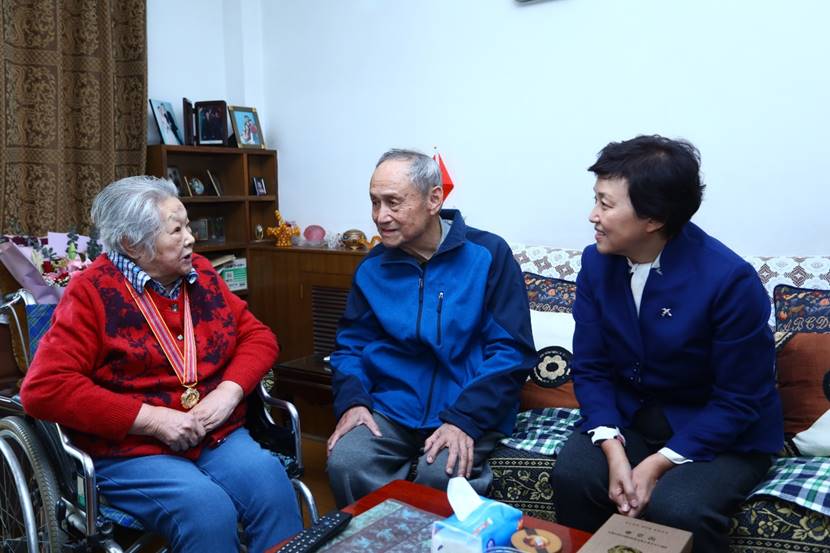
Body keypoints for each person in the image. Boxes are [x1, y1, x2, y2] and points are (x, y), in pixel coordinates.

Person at [20, 176, 302, 553]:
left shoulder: (201, 274)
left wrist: (228, 393)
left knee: (272, 487)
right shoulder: (91, 293)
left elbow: (258, 336)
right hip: (134, 450)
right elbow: (45, 389)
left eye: (188, 226)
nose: (191, 239)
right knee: (206, 511)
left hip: (214, 433)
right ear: (132, 244)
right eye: (177, 230)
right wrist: (153, 420)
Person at [551, 135, 782, 552]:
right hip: (634, 416)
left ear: (653, 219)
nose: (592, 215)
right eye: (595, 199)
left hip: (721, 430)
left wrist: (657, 465)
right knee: (575, 475)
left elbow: (740, 399)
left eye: (606, 204)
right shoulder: (596, 264)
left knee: (678, 508)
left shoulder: (729, 281)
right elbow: (591, 366)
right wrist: (612, 448)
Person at [326, 149, 536, 507]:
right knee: (347, 460)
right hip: (392, 408)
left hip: (466, 404)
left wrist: (465, 419)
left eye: (393, 202)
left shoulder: (488, 255)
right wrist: (353, 401)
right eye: (375, 202)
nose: (380, 216)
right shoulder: (372, 267)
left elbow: (511, 351)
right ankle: (377, 537)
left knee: (441, 472)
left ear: (434, 199)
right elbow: (350, 347)